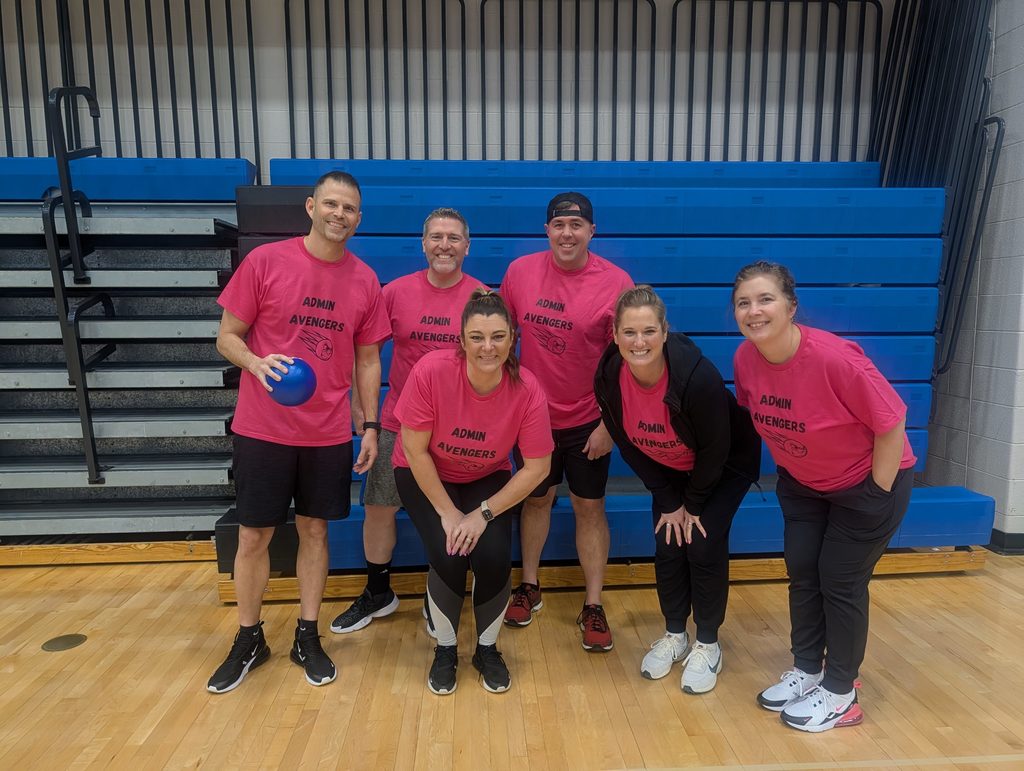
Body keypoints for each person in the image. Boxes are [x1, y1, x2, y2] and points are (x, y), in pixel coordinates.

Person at [207, 171, 391, 694]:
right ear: (311, 206)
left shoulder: (365, 281)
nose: (339, 214)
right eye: (331, 204)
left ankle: (307, 634)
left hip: (326, 432)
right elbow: (226, 337)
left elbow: (368, 360)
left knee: (315, 532)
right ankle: (249, 638)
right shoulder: (266, 262)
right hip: (263, 429)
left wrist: (370, 424)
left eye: (349, 208)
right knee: (253, 535)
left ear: (359, 218)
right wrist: (256, 363)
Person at [731, 261, 916, 732]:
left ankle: (841, 692)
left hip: (865, 484)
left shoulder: (835, 359)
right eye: (743, 303)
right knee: (803, 572)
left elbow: (892, 421)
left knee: (840, 581)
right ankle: (808, 669)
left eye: (765, 299)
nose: (754, 311)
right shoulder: (745, 358)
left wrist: (876, 492)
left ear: (791, 306)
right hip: (803, 485)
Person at [594, 286, 760, 693]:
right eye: (629, 332)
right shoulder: (608, 376)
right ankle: (675, 634)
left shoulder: (696, 378)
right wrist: (669, 501)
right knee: (668, 540)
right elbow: (626, 442)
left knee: (701, 543)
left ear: (665, 332)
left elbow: (715, 450)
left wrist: (694, 504)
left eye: (649, 331)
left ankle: (708, 643)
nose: (639, 342)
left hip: (723, 465)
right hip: (669, 466)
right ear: (615, 335)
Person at [330, 208, 483, 635]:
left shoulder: (481, 298)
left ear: (467, 246)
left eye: (453, 238)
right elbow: (365, 354)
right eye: (436, 237)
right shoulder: (395, 292)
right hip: (399, 422)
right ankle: (378, 592)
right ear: (423, 244)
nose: (444, 245)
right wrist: (362, 412)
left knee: (447, 515)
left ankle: (441, 596)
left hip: (455, 430)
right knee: (378, 508)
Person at [393, 290, 553, 694]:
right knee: (450, 551)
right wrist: (449, 514)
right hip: (424, 471)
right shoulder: (432, 371)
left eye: (498, 336)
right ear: (461, 341)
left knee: (493, 555)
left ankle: (487, 649)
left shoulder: (527, 388)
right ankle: (446, 649)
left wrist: (482, 514)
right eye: (477, 337)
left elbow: (538, 468)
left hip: (486, 475)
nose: (488, 347)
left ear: (513, 338)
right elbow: (414, 449)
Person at [499, 192, 633, 651]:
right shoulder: (519, 273)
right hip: (533, 417)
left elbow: (628, 360)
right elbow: (501, 338)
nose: (567, 233)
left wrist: (610, 424)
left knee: (588, 506)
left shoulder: (616, 282)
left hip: (588, 420)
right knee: (536, 500)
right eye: (559, 225)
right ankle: (529, 585)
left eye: (577, 225)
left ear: (592, 231)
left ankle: (593, 604)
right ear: (547, 231)